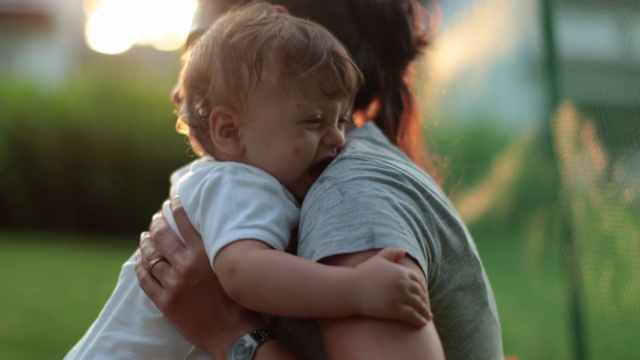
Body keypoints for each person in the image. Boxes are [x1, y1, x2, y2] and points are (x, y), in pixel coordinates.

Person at [138, 0, 504, 359]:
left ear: (270, 19)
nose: (177, 91)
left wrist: (229, 333)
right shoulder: (303, 176)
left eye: (198, 48)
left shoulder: (348, 193)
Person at [64, 3, 432, 359]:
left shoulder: (322, 183)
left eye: (339, 120)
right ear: (229, 130)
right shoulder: (238, 184)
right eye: (314, 121)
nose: (338, 139)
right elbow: (245, 273)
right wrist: (356, 289)